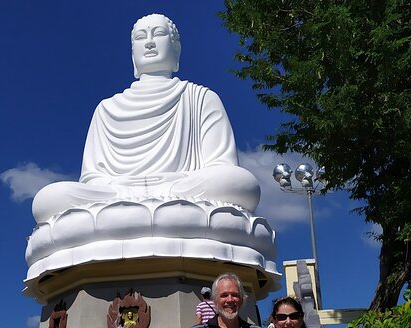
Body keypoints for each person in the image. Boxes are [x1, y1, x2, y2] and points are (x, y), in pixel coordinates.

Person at [31, 13, 260, 223]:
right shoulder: (106, 108)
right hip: (118, 194)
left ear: (176, 49)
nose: (149, 43)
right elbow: (92, 178)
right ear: (133, 54)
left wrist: (168, 185)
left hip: (181, 189)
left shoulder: (200, 98)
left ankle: (134, 214)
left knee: (239, 184)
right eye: (141, 38)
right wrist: (124, 189)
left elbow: (220, 167)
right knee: (49, 199)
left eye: (159, 34)